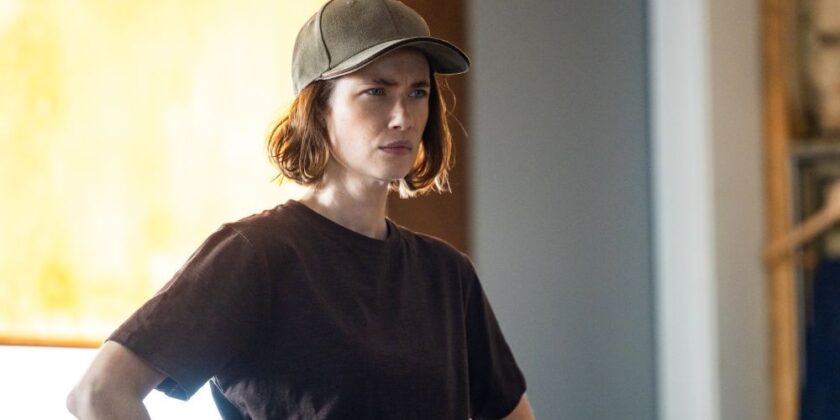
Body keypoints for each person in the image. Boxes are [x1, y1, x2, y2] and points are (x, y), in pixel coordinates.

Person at [67, 0, 534, 418]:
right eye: (376, 91)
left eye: (418, 92)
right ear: (318, 107)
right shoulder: (256, 255)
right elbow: (99, 393)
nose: (403, 117)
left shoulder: (448, 276)